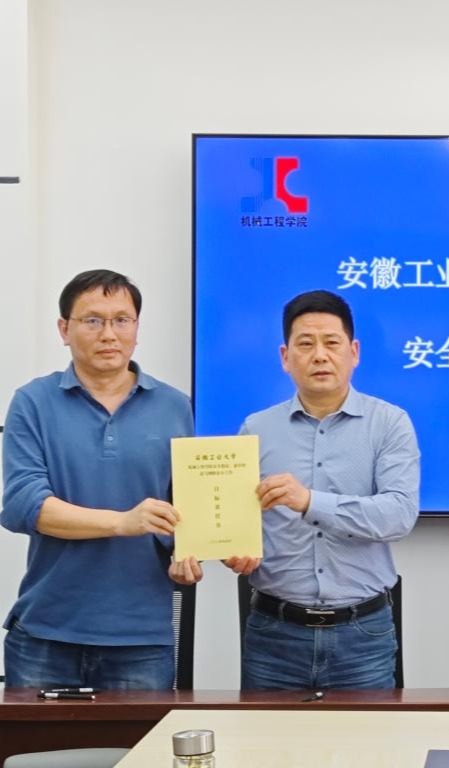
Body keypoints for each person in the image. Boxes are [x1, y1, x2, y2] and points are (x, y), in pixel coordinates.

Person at [1, 269, 198, 690]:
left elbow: (185, 511)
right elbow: (23, 506)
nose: (109, 334)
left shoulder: (174, 406)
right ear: (64, 329)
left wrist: (188, 553)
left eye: (122, 320)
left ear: (137, 328)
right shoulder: (32, 402)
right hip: (47, 630)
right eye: (93, 320)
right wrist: (122, 522)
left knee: (142, 739)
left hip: (142, 636)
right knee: (34, 739)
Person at [228, 290, 419, 690]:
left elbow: (399, 515)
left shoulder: (389, 423)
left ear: (354, 352)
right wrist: (234, 549)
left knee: (369, 734)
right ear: (285, 357)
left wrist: (311, 502)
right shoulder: (256, 429)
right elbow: (237, 522)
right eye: (305, 344)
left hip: (362, 635)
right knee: (263, 734)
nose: (319, 355)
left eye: (331, 343)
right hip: (274, 634)